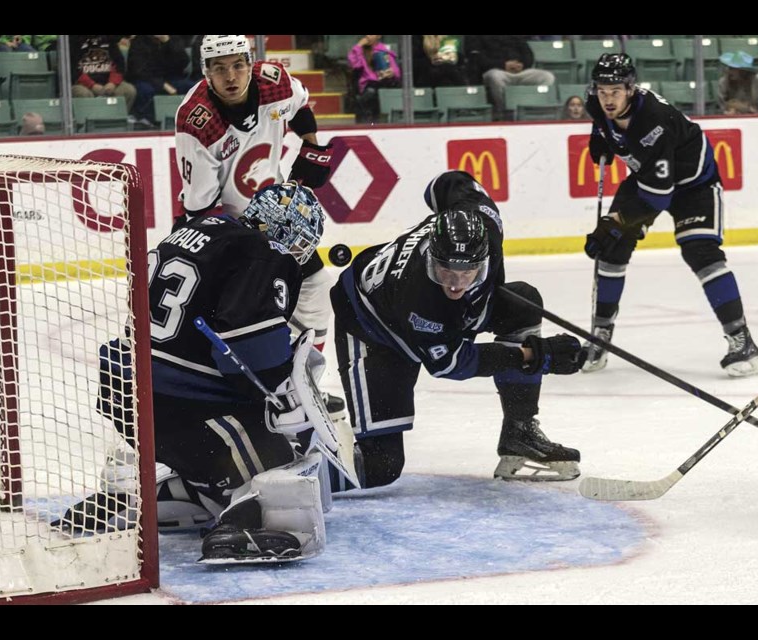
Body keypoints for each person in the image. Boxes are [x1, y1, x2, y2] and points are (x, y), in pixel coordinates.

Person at [62, 182, 346, 564]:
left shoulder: (195, 230)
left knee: (231, 450)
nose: (297, 255)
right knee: (280, 459)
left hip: (124, 390)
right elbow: (248, 352)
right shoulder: (263, 252)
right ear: (282, 230)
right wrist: (279, 393)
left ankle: (156, 493)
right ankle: (238, 528)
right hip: (176, 404)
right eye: (298, 244)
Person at [329, 170, 585, 489]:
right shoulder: (421, 298)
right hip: (374, 327)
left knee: (523, 302)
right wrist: (537, 356)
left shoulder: (485, 217)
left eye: (468, 272)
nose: (455, 283)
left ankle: (519, 431)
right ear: (432, 255)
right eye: (445, 270)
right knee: (381, 466)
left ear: (485, 255)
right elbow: (451, 364)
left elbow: (445, 182)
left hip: (429, 314)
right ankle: (291, 474)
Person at [174, 35, 344, 417]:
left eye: (237, 65)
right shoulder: (196, 118)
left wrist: (311, 146)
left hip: (275, 221)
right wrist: (241, 248)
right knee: (242, 311)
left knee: (316, 285)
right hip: (223, 229)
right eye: (219, 69)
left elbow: (299, 106)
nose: (230, 76)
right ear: (205, 72)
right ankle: (237, 394)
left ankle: (305, 386)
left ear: (250, 63)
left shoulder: (275, 81)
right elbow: (201, 206)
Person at [581, 53, 758, 376]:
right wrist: (601, 139)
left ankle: (742, 341)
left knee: (701, 252)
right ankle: (600, 337)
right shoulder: (597, 105)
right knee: (613, 249)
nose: (607, 99)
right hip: (648, 177)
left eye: (615, 92)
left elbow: (657, 197)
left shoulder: (653, 121)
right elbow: (606, 126)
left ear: (630, 89)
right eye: (602, 90)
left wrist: (614, 224)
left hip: (695, 185)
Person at [716, 50, 758, 115]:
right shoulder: (723, 82)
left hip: (755, 115)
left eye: (733, 68)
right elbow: (721, 104)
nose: (729, 71)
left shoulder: (757, 78)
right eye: (729, 68)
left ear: (743, 71)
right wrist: (726, 111)